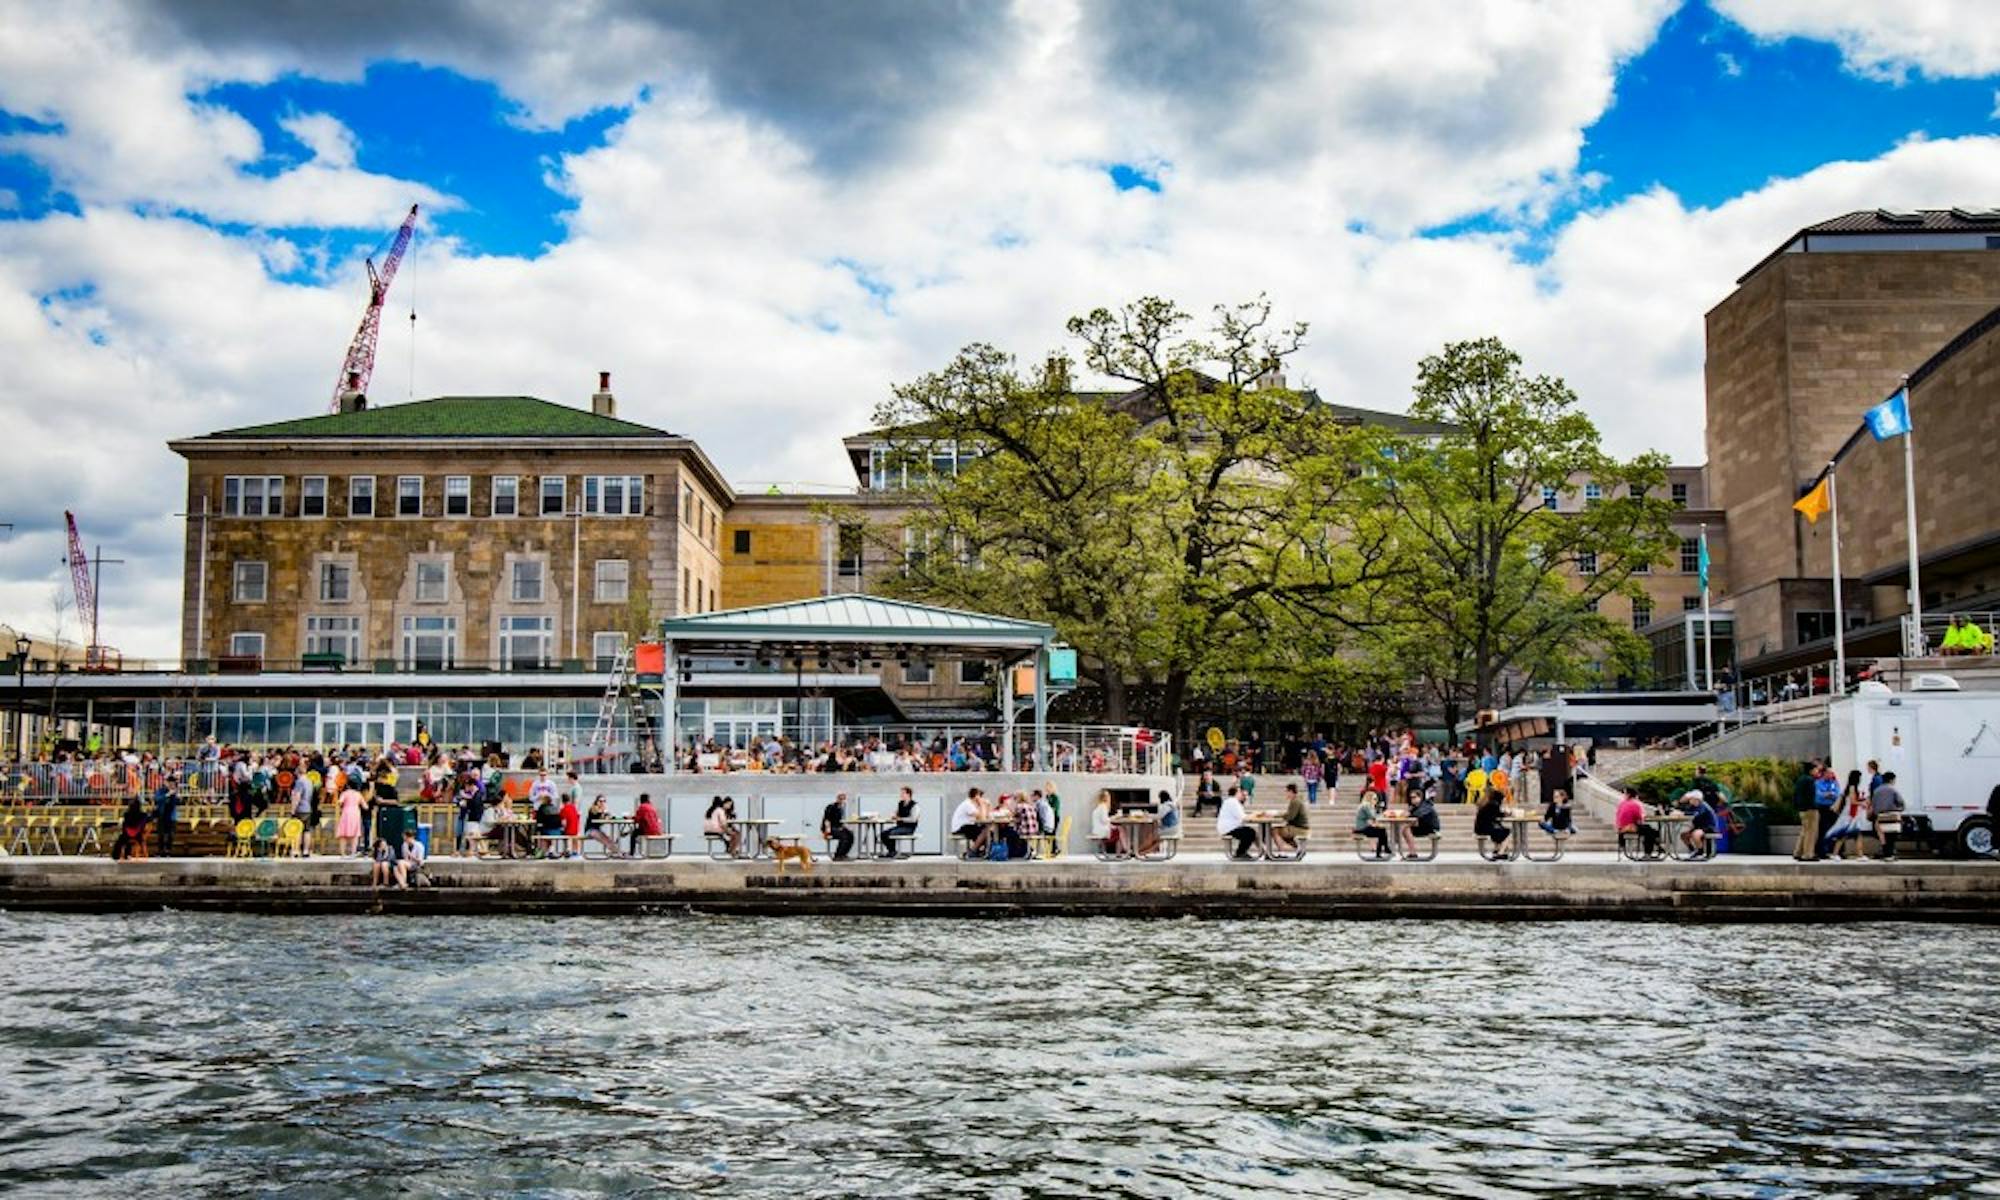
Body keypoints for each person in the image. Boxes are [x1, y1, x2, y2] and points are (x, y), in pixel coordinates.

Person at [1824, 770, 1869, 860]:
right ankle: (1836, 853)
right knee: (1844, 834)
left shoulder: (1851, 787)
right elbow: (1852, 801)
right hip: (1850, 815)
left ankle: (1859, 854)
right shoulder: (1852, 787)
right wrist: (1862, 803)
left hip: (1853, 815)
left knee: (1856, 834)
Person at [1870, 771, 1906, 861]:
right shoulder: (1893, 789)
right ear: (1891, 780)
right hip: (1892, 815)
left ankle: (1886, 854)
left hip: (1880, 816)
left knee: (1883, 836)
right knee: (1892, 836)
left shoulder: (1877, 790)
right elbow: (1901, 802)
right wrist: (1900, 809)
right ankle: (1890, 855)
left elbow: (1873, 804)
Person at [1614, 787, 1659, 857]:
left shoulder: (1622, 803)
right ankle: (1649, 852)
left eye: (1624, 793)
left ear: (1628, 795)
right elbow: (1639, 818)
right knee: (1651, 831)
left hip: (1621, 827)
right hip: (1630, 826)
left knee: (1649, 830)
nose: (1623, 795)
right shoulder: (1635, 804)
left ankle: (1654, 849)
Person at [1792, 761, 1823, 862]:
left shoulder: (1800, 779)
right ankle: (1808, 854)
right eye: (1815, 769)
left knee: (1804, 831)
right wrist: (1814, 807)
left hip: (1801, 809)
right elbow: (1811, 796)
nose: (1817, 771)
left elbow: (1795, 795)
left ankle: (1798, 852)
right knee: (1811, 832)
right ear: (1811, 770)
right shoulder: (1810, 780)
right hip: (1810, 809)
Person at [1217, 785, 1257, 860]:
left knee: (1251, 831)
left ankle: (1262, 851)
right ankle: (1240, 853)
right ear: (1237, 793)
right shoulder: (1233, 802)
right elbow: (1243, 817)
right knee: (1250, 832)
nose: (1242, 794)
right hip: (1229, 828)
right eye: (1240, 792)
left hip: (1230, 827)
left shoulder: (1232, 801)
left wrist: (1245, 798)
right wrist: (1255, 814)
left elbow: (1242, 813)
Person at [881, 786, 919, 858]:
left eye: (903, 793)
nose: (901, 795)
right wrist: (894, 816)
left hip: (909, 828)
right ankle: (892, 851)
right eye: (901, 793)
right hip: (900, 826)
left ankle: (892, 852)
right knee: (883, 834)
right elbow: (896, 813)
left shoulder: (915, 806)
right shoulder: (900, 803)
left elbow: (913, 819)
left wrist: (900, 819)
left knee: (892, 833)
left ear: (908, 794)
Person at [111, 794, 149, 861]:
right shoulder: (143, 815)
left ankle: (116, 855)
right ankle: (127, 854)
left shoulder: (127, 814)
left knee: (121, 840)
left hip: (127, 834)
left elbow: (124, 825)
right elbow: (145, 824)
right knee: (128, 838)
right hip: (138, 835)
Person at [953, 788, 990, 857]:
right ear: (977, 796)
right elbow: (982, 818)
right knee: (986, 831)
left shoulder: (971, 805)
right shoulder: (968, 804)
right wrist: (982, 804)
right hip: (961, 828)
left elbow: (985, 816)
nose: (983, 799)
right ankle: (973, 851)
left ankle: (977, 850)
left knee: (988, 830)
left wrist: (988, 806)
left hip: (967, 826)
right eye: (981, 797)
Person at [1353, 787, 1389, 859]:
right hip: (1362, 828)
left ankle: (1383, 850)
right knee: (1382, 832)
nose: (1376, 801)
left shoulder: (1366, 806)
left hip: (1364, 826)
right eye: (1374, 799)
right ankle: (1382, 850)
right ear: (1369, 798)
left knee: (1382, 830)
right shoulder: (1366, 806)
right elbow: (1373, 816)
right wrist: (1383, 814)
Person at [1683, 789, 1719, 858]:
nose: (1690, 800)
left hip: (1709, 827)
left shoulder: (1703, 806)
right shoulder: (1693, 806)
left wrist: (1684, 814)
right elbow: (1687, 812)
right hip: (1700, 827)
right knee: (1684, 836)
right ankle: (1693, 850)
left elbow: (1696, 814)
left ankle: (1700, 850)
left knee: (1696, 834)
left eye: (1691, 799)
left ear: (1697, 799)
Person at [1473, 788, 1510, 857]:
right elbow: (1498, 814)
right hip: (1485, 829)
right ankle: (1500, 853)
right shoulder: (1493, 805)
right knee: (1507, 832)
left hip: (1479, 828)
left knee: (1500, 829)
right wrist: (1507, 813)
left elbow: (1493, 815)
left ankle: (1497, 849)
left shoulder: (1485, 803)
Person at [335, 779, 366, 857]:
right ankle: (353, 853)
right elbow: (365, 806)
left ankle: (343, 854)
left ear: (348, 785)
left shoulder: (345, 793)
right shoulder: (358, 794)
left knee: (343, 833)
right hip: (356, 813)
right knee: (355, 834)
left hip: (346, 812)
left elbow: (339, 802)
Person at [822, 792, 856, 861]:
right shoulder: (831, 807)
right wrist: (827, 831)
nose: (842, 800)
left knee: (850, 834)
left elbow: (839, 821)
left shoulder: (840, 808)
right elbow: (827, 820)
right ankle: (838, 855)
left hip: (837, 827)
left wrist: (844, 827)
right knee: (844, 836)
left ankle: (844, 854)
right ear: (837, 798)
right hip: (830, 828)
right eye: (840, 799)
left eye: (843, 799)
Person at [153, 775, 180, 857]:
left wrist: (177, 797)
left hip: (171, 816)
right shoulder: (161, 791)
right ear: (166, 783)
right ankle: (160, 850)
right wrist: (167, 795)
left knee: (170, 834)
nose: (171, 785)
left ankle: (168, 850)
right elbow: (157, 799)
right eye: (170, 783)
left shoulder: (176, 792)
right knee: (161, 834)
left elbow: (178, 803)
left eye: (173, 784)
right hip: (162, 815)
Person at [558, 791, 583, 859]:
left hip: (569, 831)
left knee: (561, 832)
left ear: (562, 801)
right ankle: (575, 852)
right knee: (575, 836)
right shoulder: (574, 808)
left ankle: (567, 850)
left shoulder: (563, 809)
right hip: (576, 830)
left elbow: (564, 823)